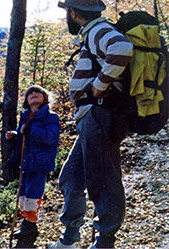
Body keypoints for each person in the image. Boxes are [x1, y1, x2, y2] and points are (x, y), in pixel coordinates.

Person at [50, 0, 134, 248]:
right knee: (71, 178)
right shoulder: (92, 32)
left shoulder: (98, 30)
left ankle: (104, 241)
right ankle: (70, 239)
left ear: (74, 13)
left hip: (99, 114)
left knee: (103, 178)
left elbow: (121, 48)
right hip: (91, 116)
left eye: (68, 12)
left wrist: (98, 87)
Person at [6, 85, 61, 248]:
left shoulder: (51, 117)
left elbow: (50, 138)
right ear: (26, 101)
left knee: (33, 196)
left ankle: (29, 231)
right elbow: (23, 134)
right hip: (25, 163)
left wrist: (30, 129)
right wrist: (14, 135)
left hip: (39, 163)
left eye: (38, 92)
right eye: (30, 93)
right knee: (23, 197)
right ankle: (27, 226)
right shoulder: (26, 117)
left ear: (45, 98)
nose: (34, 94)